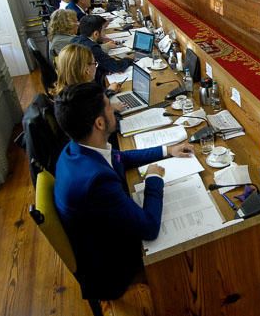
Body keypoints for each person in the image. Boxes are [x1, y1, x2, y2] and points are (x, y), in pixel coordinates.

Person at [54, 82, 193, 301]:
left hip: (100, 236)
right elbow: (149, 227)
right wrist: (154, 178)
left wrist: (166, 150)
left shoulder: (75, 148)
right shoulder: (97, 182)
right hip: (111, 268)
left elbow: (119, 158)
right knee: (188, 246)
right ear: (99, 123)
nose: (116, 110)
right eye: (109, 106)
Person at [71, 15, 133, 84]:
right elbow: (117, 66)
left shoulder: (75, 39)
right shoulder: (92, 48)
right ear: (96, 34)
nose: (105, 33)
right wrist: (129, 58)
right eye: (104, 30)